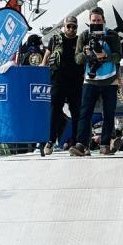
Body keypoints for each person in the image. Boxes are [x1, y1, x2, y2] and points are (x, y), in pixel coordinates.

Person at [69, 6, 123, 157]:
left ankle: (105, 143)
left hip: (110, 79)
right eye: (94, 20)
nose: (96, 23)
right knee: (85, 113)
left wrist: (106, 56)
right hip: (90, 79)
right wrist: (88, 54)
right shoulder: (84, 36)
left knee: (109, 112)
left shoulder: (112, 36)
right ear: (89, 22)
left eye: (99, 20)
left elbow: (119, 56)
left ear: (104, 20)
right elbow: (77, 59)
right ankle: (81, 144)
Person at [40, 16, 86, 156]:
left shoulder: (80, 40)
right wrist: (42, 65)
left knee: (76, 112)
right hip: (58, 80)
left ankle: (77, 143)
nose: (71, 29)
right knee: (55, 110)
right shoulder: (56, 39)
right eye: (69, 26)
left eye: (74, 26)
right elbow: (47, 54)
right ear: (64, 27)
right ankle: (51, 141)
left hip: (75, 81)